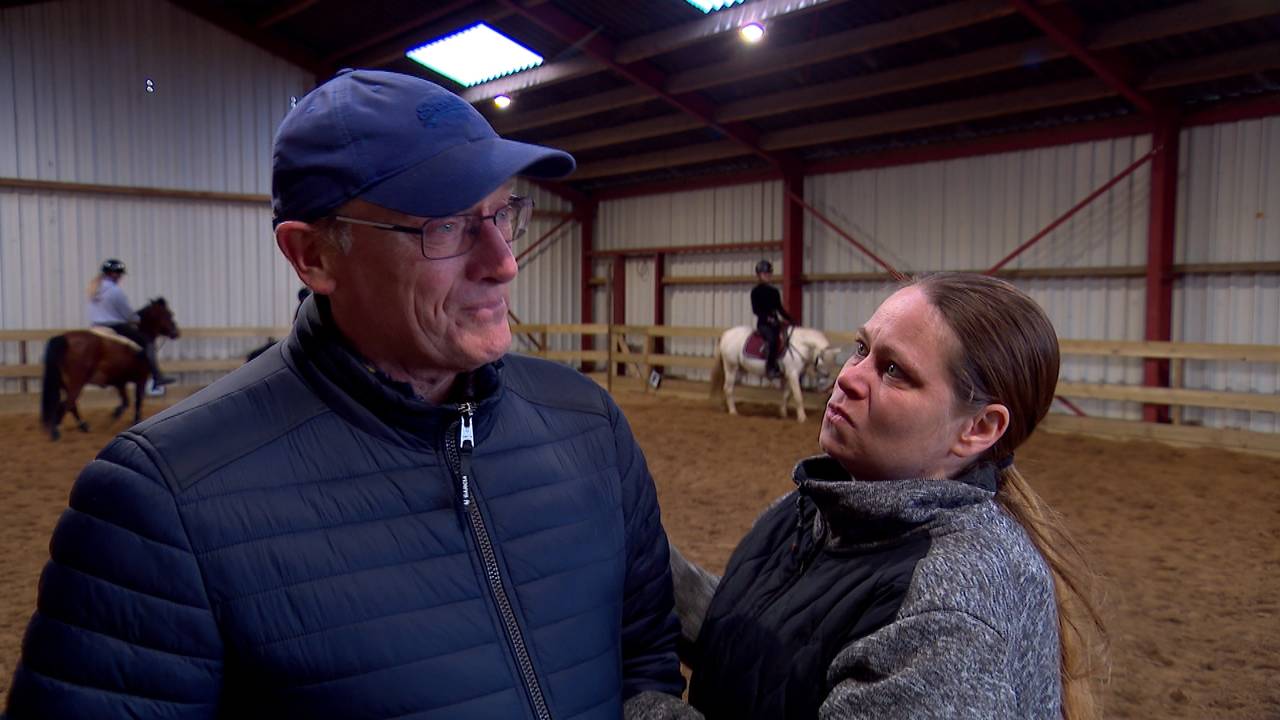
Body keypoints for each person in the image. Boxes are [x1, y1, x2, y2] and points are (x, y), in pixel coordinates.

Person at [6, 69, 690, 719]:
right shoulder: (158, 504)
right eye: (446, 226)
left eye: (503, 212)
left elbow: (643, 658)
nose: (504, 262)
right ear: (314, 256)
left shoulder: (589, 424)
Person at [672, 273, 1107, 720]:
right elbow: (767, 643)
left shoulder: (949, 612)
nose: (847, 378)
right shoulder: (808, 508)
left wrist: (637, 700)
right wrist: (642, 549)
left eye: (894, 371)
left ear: (978, 428)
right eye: (861, 349)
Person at [86, 257, 176, 386]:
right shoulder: (115, 291)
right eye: (119, 274)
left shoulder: (94, 289)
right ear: (114, 274)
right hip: (115, 326)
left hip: (95, 326)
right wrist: (137, 319)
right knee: (147, 343)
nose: (120, 277)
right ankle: (157, 376)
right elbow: (128, 315)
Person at [750, 259, 792, 379]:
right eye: (765, 274)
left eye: (769, 273)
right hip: (763, 324)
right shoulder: (755, 292)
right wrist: (768, 318)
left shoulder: (774, 292)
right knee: (773, 340)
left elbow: (780, 309)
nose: (768, 276)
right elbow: (756, 310)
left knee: (789, 338)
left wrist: (791, 319)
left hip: (775, 323)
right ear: (759, 275)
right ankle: (770, 368)